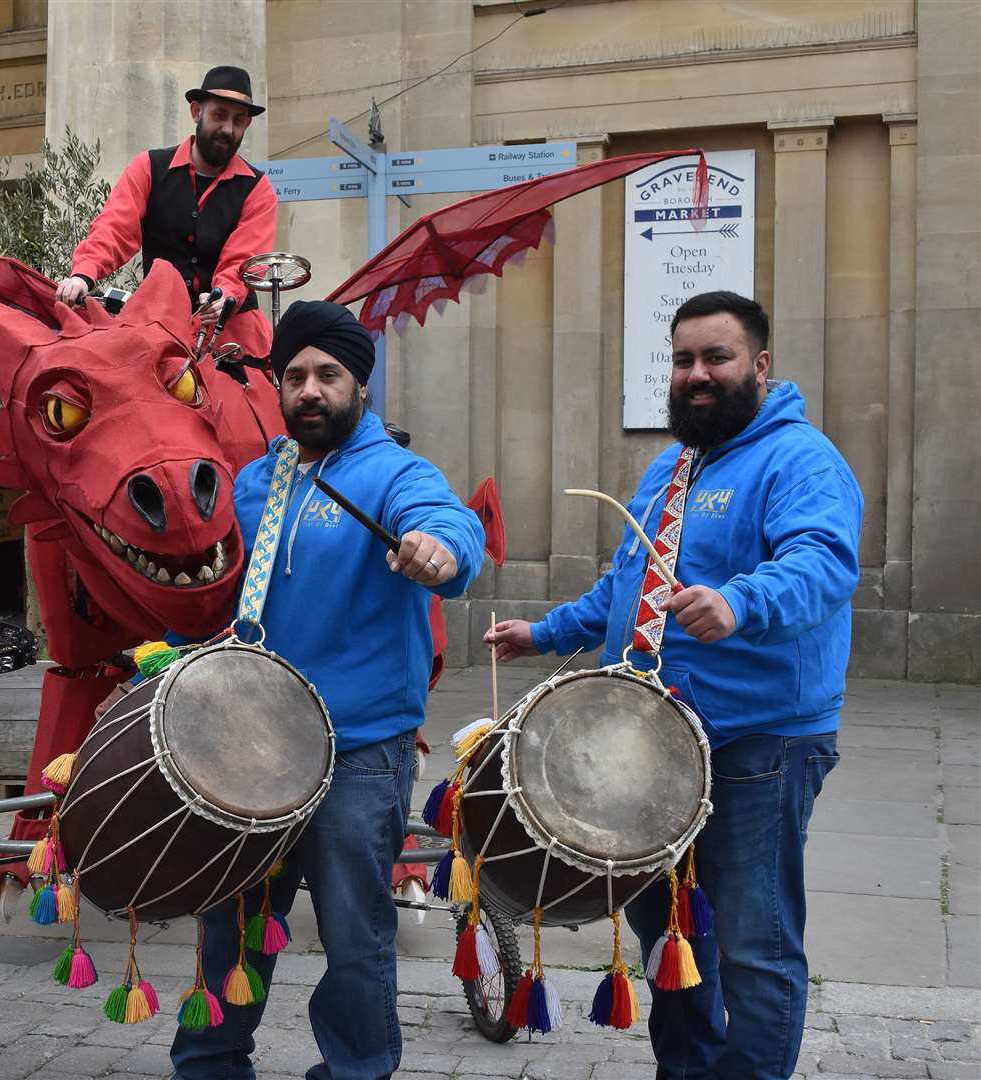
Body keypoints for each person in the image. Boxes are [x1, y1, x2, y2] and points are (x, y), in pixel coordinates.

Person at [485, 291, 861, 1080]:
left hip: (757, 744)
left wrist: (741, 600)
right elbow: (627, 582)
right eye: (683, 358)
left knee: (755, 943)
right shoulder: (673, 465)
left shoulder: (802, 460)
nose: (697, 374)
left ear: (760, 365)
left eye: (716, 358)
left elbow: (823, 563)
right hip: (654, 750)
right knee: (673, 937)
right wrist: (545, 633)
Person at [169, 301, 486, 1080]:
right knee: (231, 920)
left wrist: (440, 550)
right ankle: (209, 1063)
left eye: (328, 376)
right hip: (248, 747)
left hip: (356, 753)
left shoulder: (399, 475)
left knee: (353, 935)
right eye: (296, 376)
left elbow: (450, 526)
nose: (310, 390)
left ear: (362, 386)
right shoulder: (255, 480)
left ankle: (358, 1069)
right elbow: (210, 585)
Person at [55, 64, 278, 360]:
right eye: (219, 115)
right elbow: (114, 229)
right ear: (196, 111)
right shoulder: (148, 167)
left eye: (238, 120)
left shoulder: (258, 189)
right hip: (159, 329)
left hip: (233, 338)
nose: (228, 129)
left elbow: (243, 260)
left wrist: (223, 295)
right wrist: (83, 276)